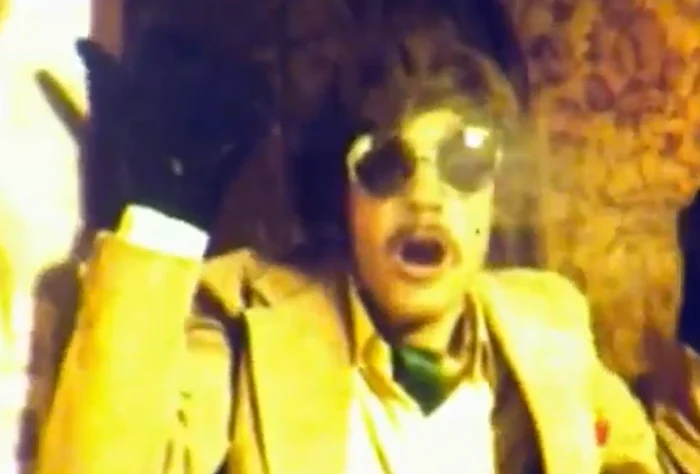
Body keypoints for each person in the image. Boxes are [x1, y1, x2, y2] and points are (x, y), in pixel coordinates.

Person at [36, 4, 672, 474]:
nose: (426, 196)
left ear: (494, 192)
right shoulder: (243, 319)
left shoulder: (550, 325)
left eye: (464, 161)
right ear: (342, 197)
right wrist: (161, 224)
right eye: (385, 165)